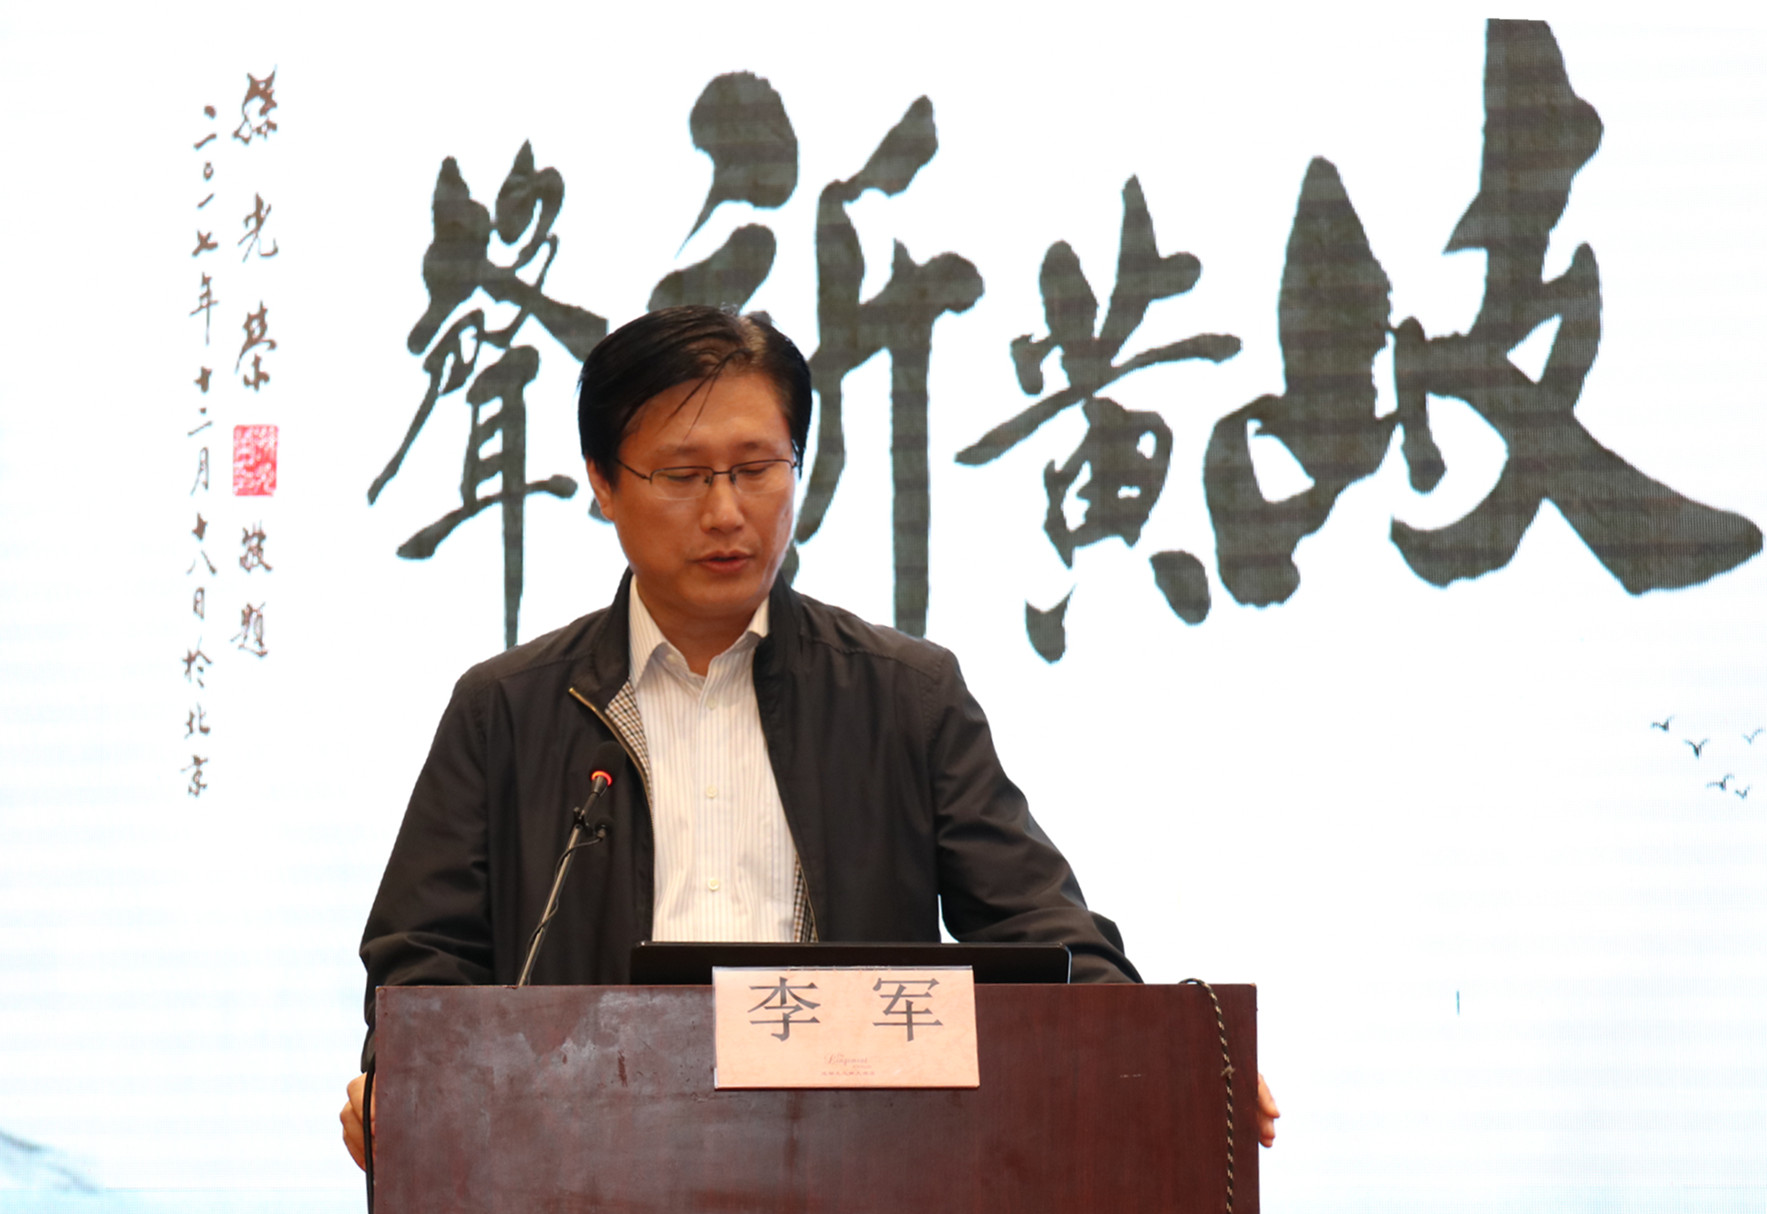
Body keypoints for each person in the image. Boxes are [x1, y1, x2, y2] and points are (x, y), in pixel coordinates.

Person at [340, 306, 1277, 1168]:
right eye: (682, 476)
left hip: (853, 1162)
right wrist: (400, 1081)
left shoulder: (903, 696)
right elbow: (423, 961)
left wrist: (1175, 1059)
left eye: (756, 469)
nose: (725, 511)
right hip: (588, 1164)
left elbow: (1040, 925)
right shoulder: (508, 709)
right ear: (604, 483)